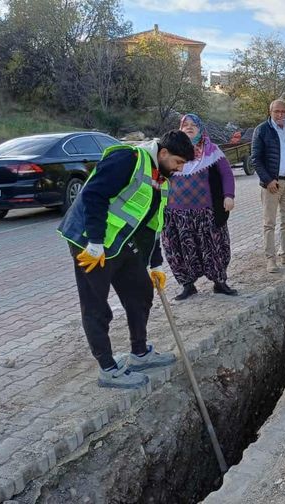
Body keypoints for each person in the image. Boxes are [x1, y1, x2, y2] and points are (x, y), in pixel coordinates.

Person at [58, 131, 195, 389]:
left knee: (140, 292)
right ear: (163, 153)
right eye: (178, 162)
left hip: (120, 242)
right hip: (89, 241)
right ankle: (108, 368)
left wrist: (155, 263)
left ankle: (140, 353)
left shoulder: (162, 178)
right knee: (96, 305)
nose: (180, 169)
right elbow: (93, 195)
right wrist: (96, 242)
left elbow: (153, 224)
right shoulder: (128, 159)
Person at [163, 114, 238, 300]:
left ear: (201, 128)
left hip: (207, 212)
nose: (189, 128)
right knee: (179, 249)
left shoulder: (212, 151)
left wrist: (228, 196)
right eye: (185, 125)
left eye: (193, 125)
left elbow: (227, 175)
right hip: (176, 214)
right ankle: (187, 286)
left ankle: (219, 283)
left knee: (215, 247)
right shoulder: (169, 152)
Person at [251, 99, 285, 273]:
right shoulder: (262, 130)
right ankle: (270, 260)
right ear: (270, 112)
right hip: (272, 184)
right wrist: (268, 180)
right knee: (269, 224)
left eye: (283, 112)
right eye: (277, 112)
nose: (280, 115)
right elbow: (256, 159)